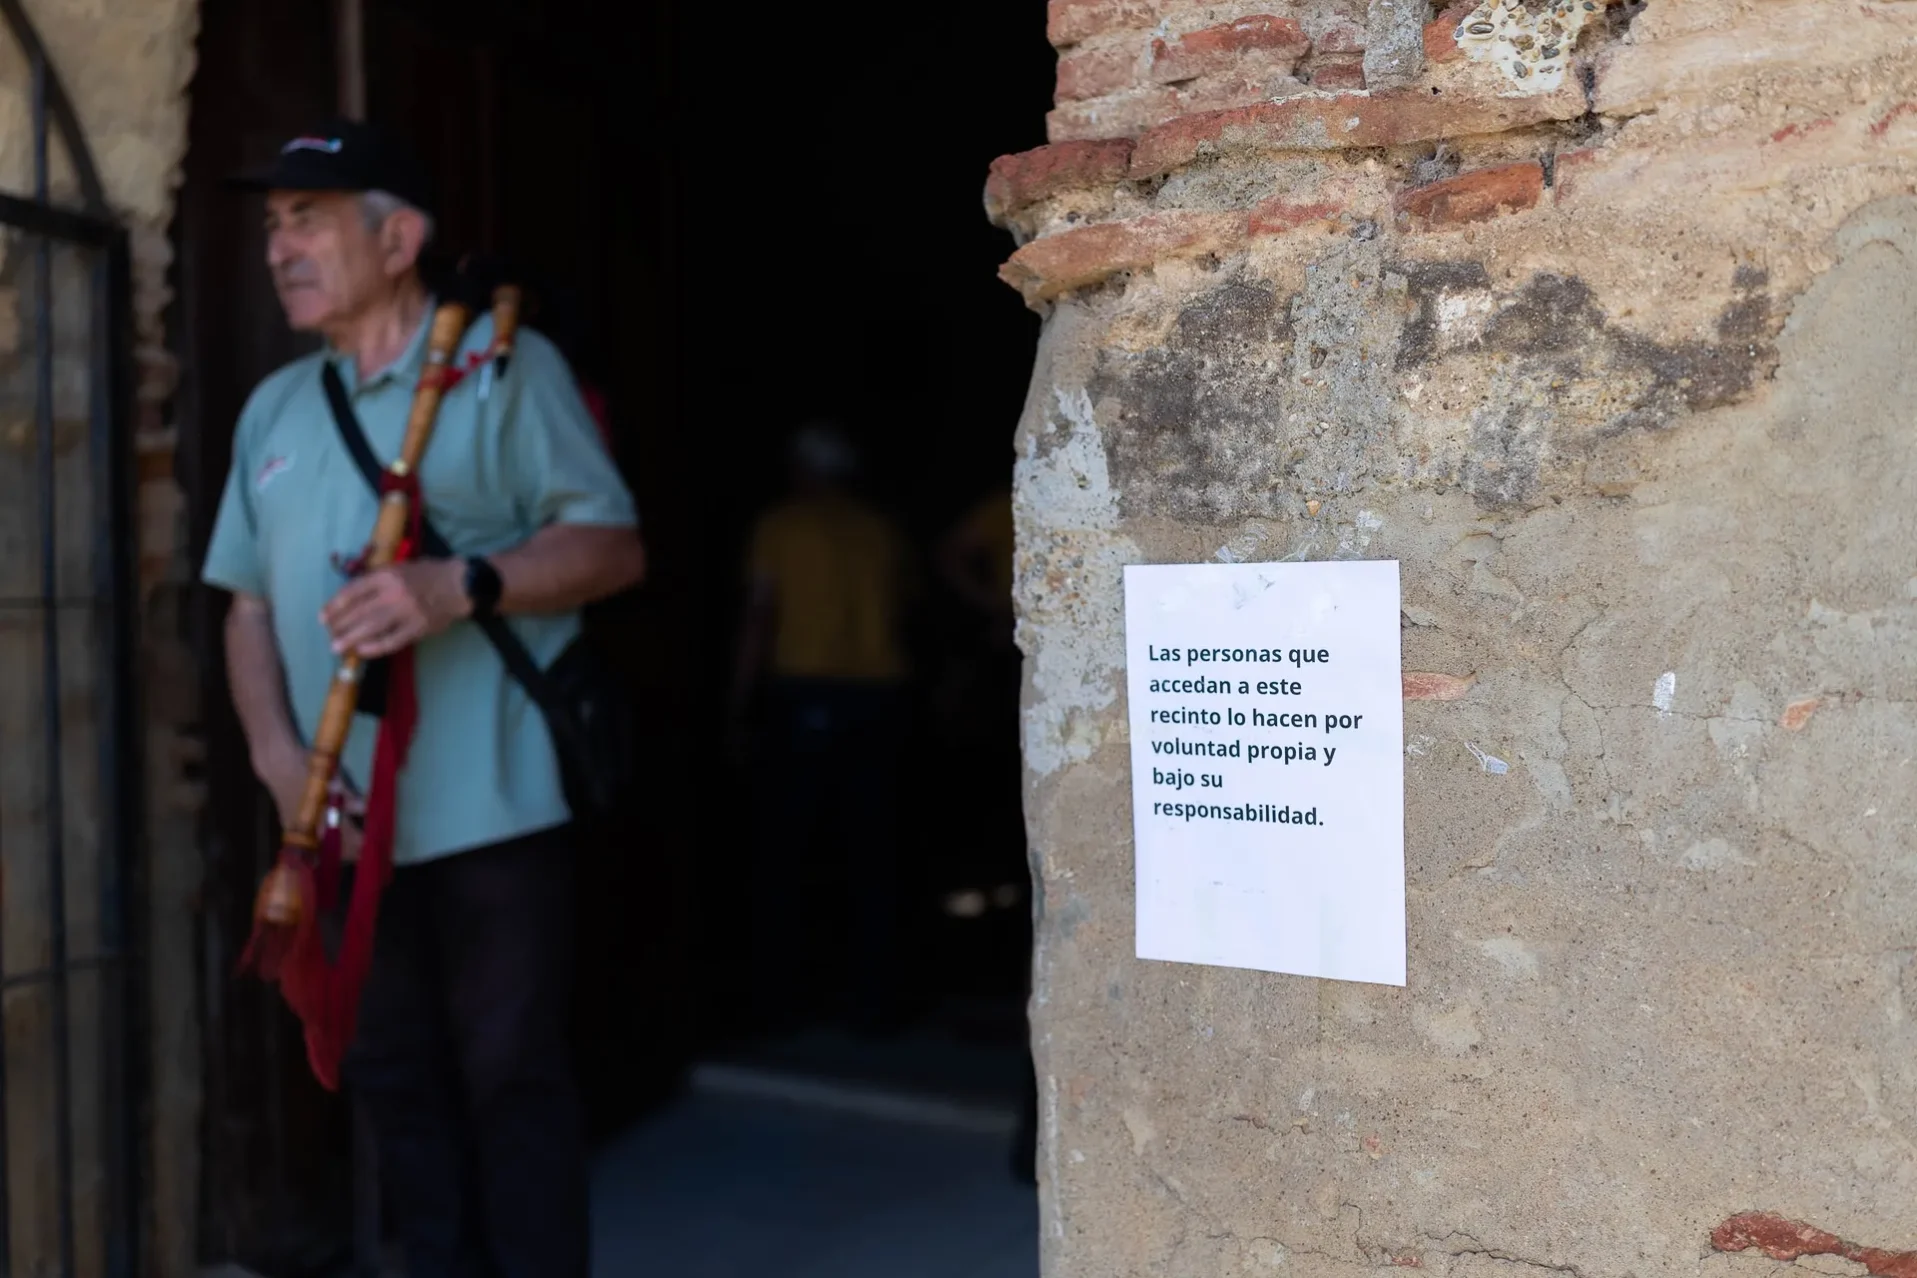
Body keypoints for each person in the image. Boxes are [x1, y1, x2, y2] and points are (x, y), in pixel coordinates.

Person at [201, 119, 644, 1277]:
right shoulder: (275, 410)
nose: (281, 249)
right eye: (272, 228)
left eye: (310, 220)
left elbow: (612, 547)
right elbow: (243, 605)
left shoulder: (500, 369)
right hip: (337, 818)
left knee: (512, 1082)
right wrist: (271, 753)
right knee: (395, 1085)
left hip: (494, 810)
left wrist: (458, 584)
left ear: (398, 237)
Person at [728, 423, 914, 1034]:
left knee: (785, 852)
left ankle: (775, 1004)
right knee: (873, 852)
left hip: (803, 694)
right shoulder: (878, 528)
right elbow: (902, 609)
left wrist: (737, 704)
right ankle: (876, 1002)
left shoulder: (781, 526)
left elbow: (759, 616)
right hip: (879, 696)